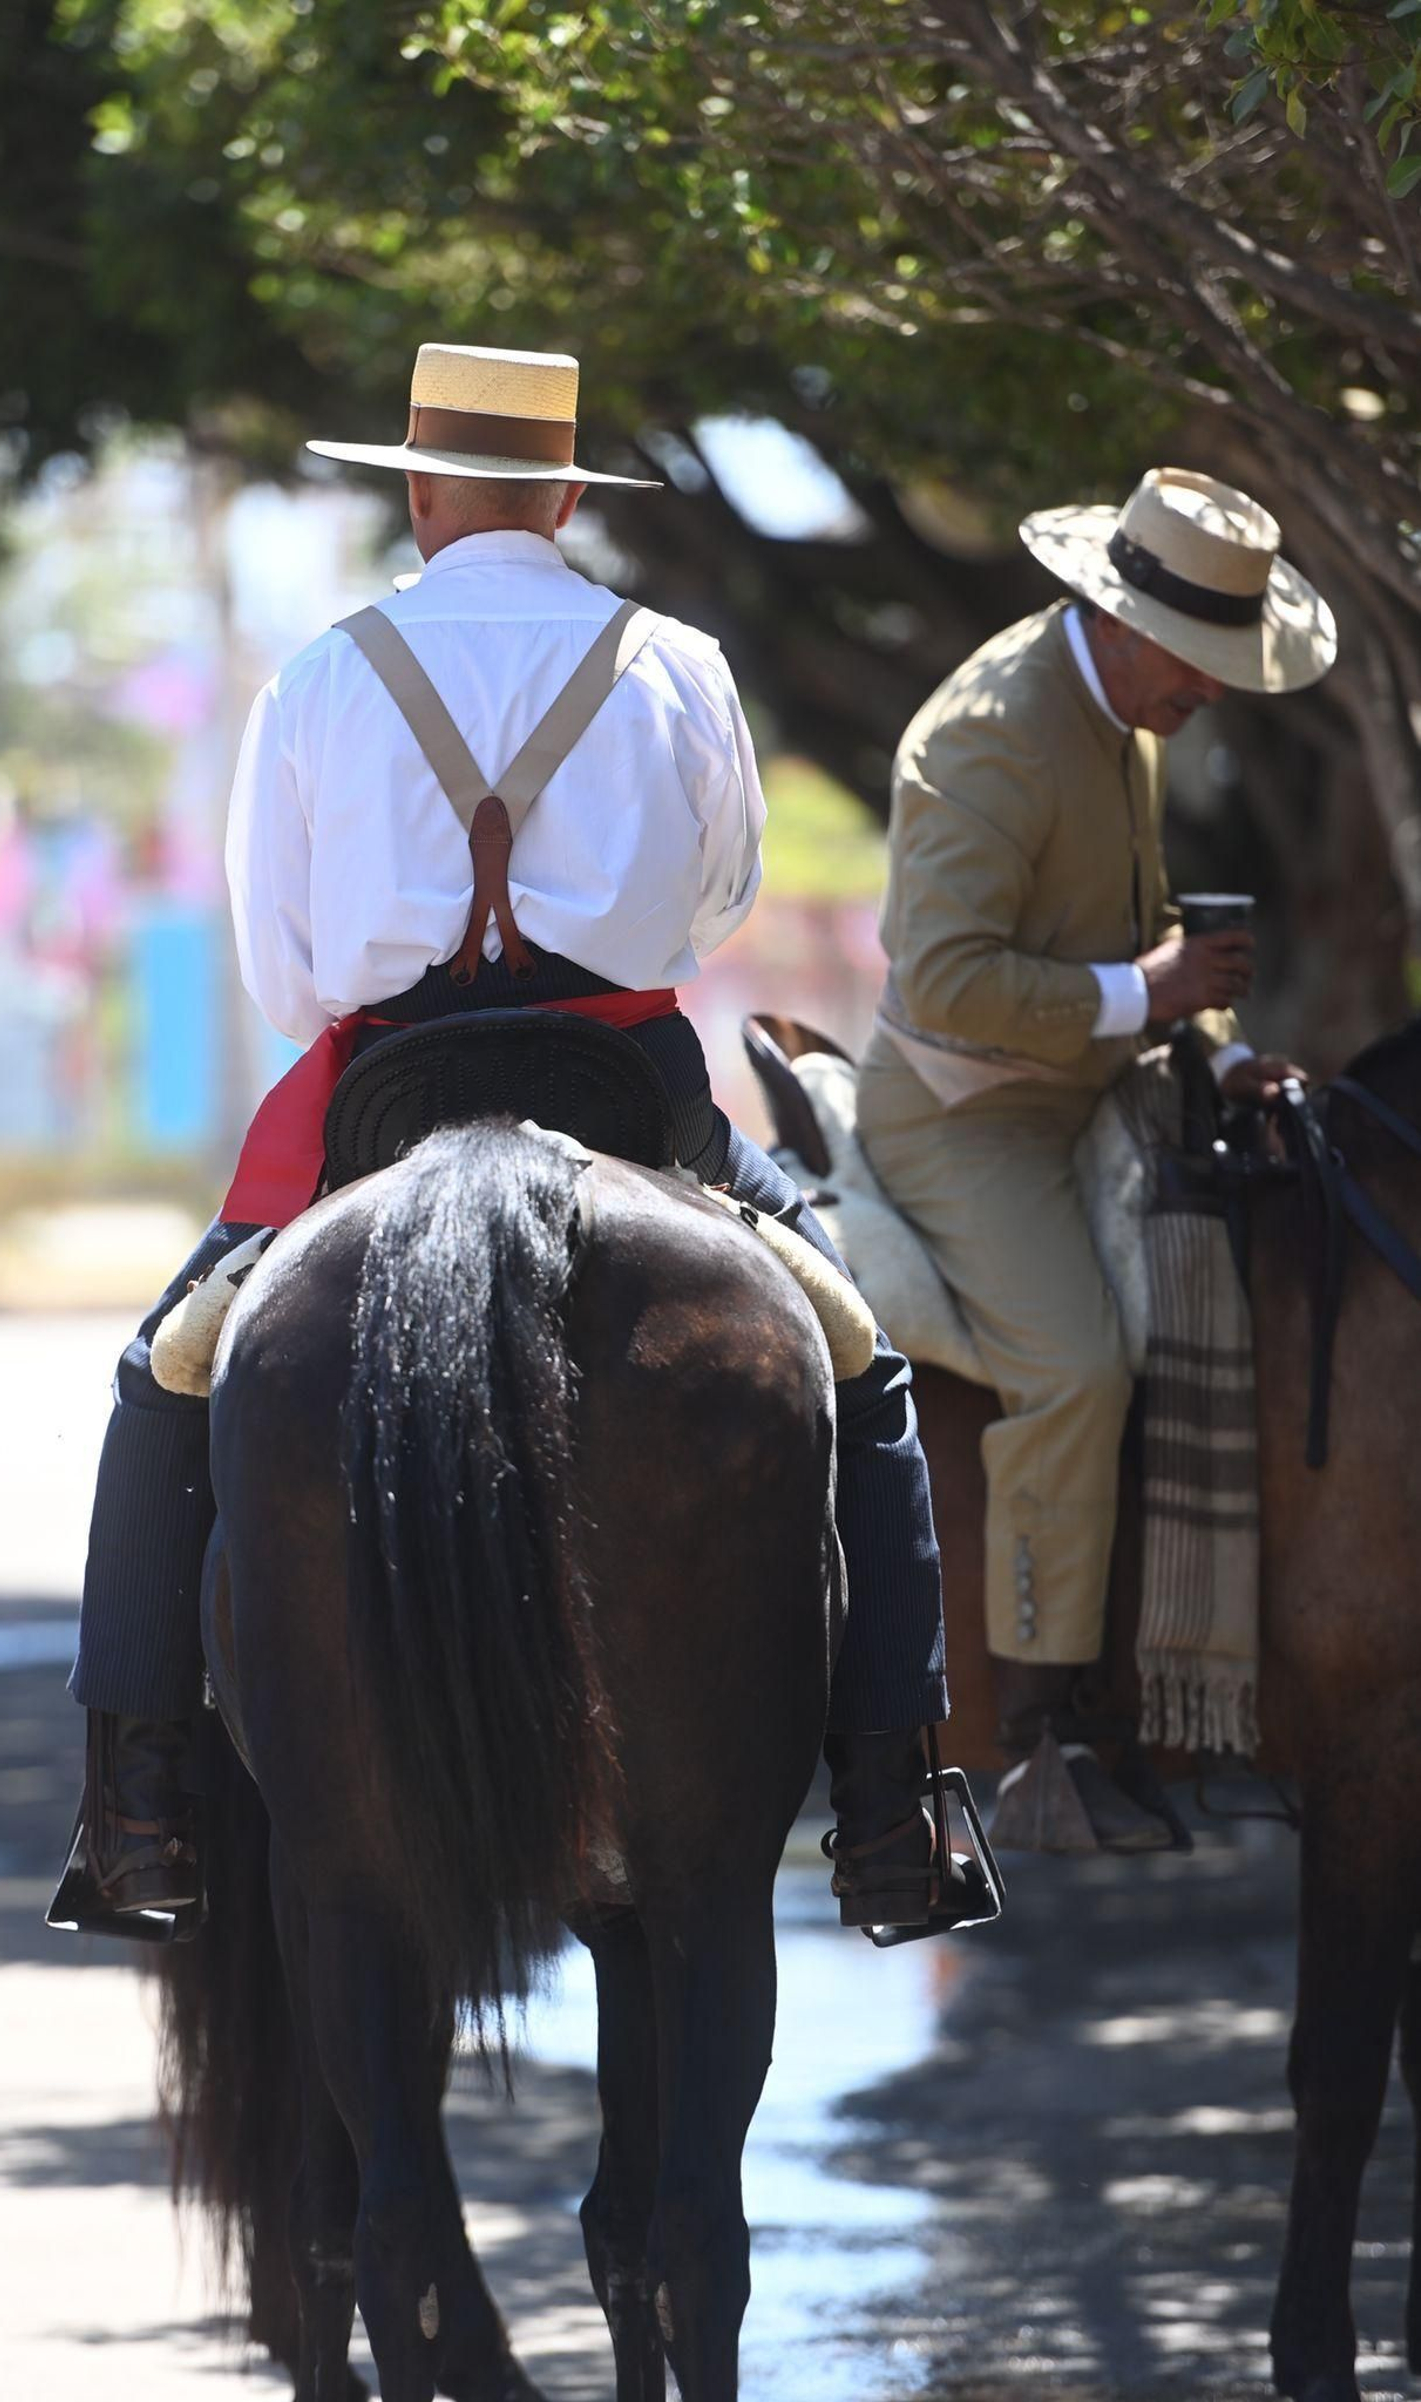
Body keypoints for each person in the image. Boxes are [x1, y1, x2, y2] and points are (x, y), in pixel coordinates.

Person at [55, 342, 971, 1942]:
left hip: (384, 1096)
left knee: (167, 1375)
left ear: (417, 495)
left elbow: (283, 974)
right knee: (864, 1367)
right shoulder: (671, 659)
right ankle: (896, 1804)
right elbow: (718, 905)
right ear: (564, 498)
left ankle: (135, 1802)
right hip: (629, 1089)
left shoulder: (326, 674)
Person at [854, 467, 1337, 1849]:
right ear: (1120, 621)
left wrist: (1221, 1044)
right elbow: (943, 984)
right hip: (964, 1118)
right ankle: (1042, 1728)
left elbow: (1134, 934)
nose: (1222, 696)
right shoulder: (990, 736)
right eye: (1206, 663)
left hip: (1099, 1085)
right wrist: (1153, 997)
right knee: (1075, 1367)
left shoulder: (1125, 701)